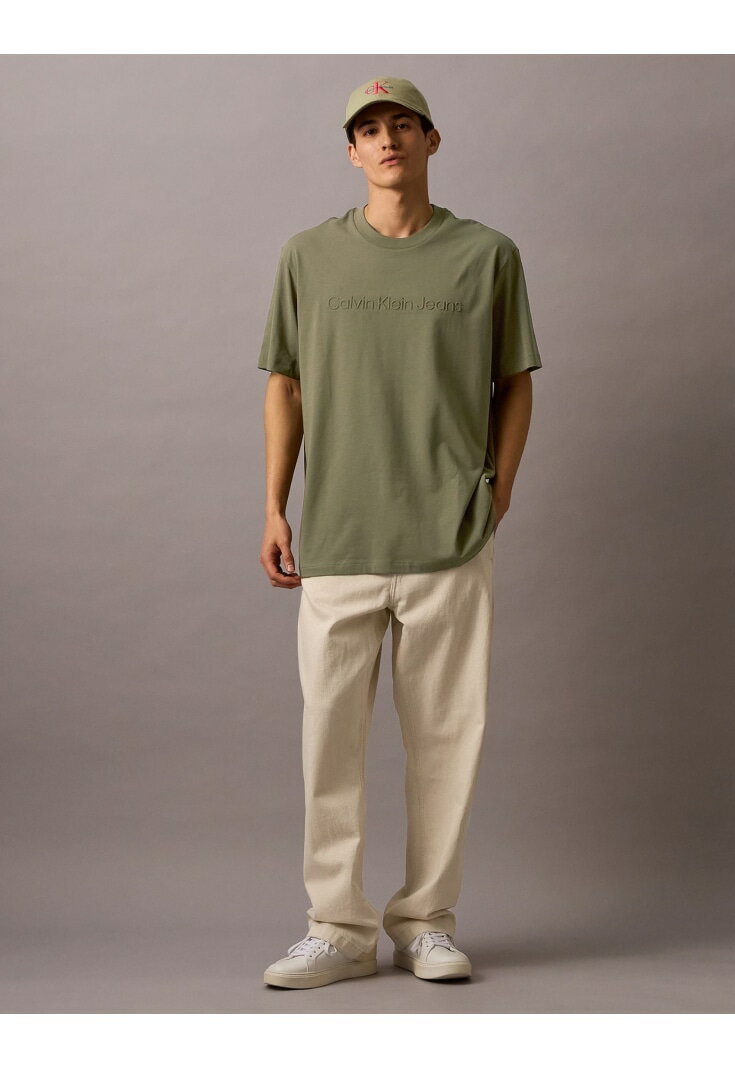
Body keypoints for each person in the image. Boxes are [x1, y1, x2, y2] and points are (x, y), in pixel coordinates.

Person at [258, 76, 542, 990]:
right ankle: (337, 929)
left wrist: (498, 490)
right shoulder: (308, 256)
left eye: (403, 125)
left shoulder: (486, 255)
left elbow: (514, 381)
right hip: (339, 534)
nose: (388, 140)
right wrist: (274, 505)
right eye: (370, 129)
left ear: (431, 140)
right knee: (329, 745)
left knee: (447, 741)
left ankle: (426, 922)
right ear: (352, 151)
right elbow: (286, 384)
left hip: (448, 536)